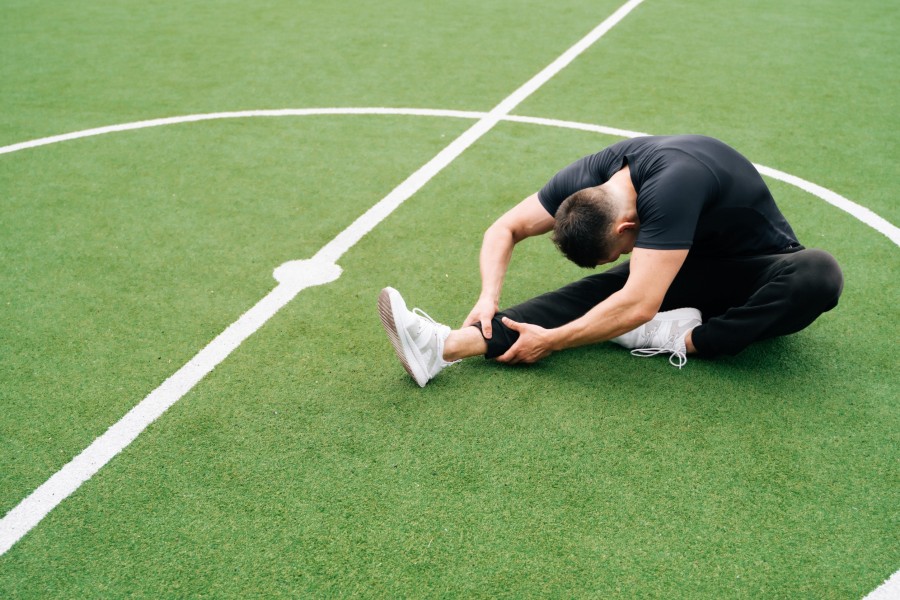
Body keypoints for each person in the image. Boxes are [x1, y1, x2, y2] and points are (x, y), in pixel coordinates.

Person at [377, 134, 844, 387]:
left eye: (619, 252)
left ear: (626, 230)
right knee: (592, 296)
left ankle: (686, 338)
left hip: (757, 272)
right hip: (686, 268)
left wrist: (555, 342)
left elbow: (638, 302)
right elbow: (505, 228)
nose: (623, 256)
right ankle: (444, 347)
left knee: (819, 274)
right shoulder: (590, 180)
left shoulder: (674, 186)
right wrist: (487, 296)